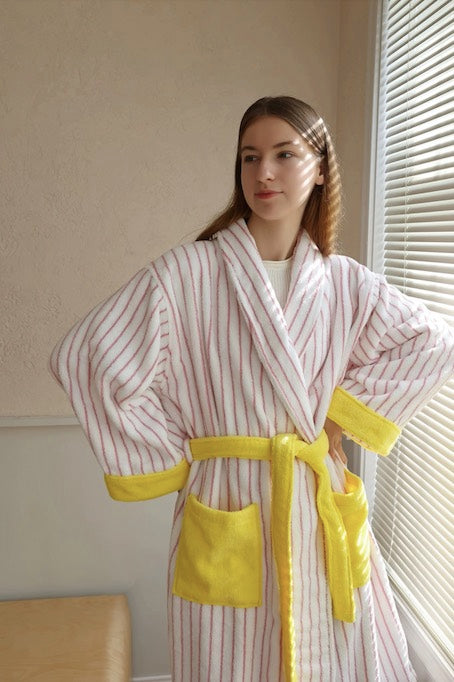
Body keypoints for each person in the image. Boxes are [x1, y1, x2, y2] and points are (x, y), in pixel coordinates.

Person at [50, 96, 454, 682]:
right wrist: (178, 456)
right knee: (230, 659)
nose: (263, 172)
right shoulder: (188, 273)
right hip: (228, 500)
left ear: (321, 169)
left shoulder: (345, 283)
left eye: (284, 154)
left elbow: (433, 341)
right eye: (249, 157)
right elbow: (89, 358)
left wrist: (339, 418)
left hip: (318, 505)